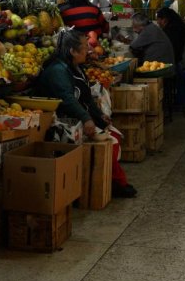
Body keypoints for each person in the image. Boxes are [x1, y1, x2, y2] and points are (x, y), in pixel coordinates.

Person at [35, 29, 136, 198]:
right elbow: (67, 99)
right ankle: (111, 183)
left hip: (77, 116)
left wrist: (98, 115)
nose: (88, 49)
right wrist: (86, 119)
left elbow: (87, 96)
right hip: (61, 121)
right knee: (109, 141)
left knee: (113, 136)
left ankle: (111, 180)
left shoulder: (75, 67)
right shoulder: (58, 70)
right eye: (84, 47)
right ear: (73, 51)